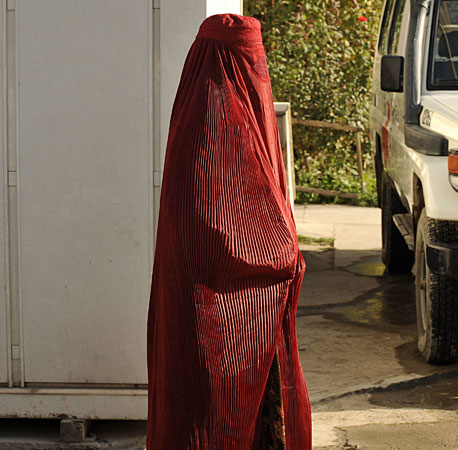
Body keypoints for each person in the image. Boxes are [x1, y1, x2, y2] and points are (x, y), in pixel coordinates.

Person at [147, 14, 311, 449]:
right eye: (248, 62)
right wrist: (285, 256)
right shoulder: (212, 122)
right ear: (230, 66)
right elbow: (221, 234)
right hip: (209, 311)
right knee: (211, 412)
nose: (258, 73)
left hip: (217, 314)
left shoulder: (203, 113)